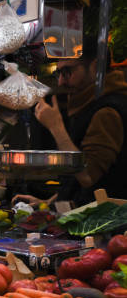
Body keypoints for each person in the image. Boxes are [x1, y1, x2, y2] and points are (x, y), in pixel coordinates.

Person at [13, 36, 127, 207]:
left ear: (95, 67)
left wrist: (56, 127)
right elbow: (77, 184)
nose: (60, 82)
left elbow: (88, 176)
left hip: (105, 226)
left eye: (67, 72)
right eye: (58, 73)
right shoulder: (90, 105)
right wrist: (46, 202)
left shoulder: (107, 112)